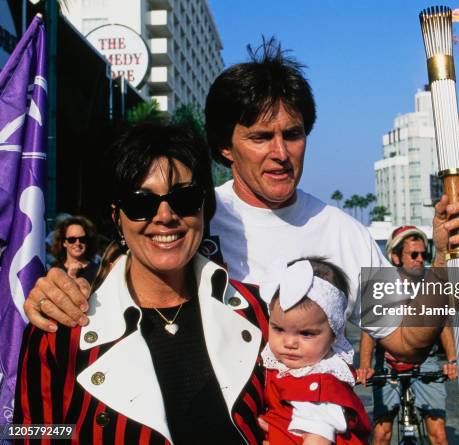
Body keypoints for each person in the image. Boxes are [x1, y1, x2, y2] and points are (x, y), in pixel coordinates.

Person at [24, 39, 459, 363]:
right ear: (226, 147)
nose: (280, 153)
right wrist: (54, 293)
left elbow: (404, 342)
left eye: (294, 134)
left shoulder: (344, 232)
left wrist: (444, 262)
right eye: (261, 137)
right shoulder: (186, 223)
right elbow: (111, 295)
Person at [14, 123, 270, 444]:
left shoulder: (255, 312)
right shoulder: (63, 326)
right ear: (117, 218)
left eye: (185, 198)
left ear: (204, 208)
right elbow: (26, 431)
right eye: (141, 203)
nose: (165, 215)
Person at [357, 226, 458, 445]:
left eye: (424, 254)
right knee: (382, 433)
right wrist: (365, 366)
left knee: (439, 434)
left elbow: (444, 325)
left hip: (426, 361)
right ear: (395, 257)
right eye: (413, 254)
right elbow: (369, 332)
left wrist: (452, 361)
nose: (420, 259)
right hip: (389, 364)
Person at [260, 258, 370, 444]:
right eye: (278, 329)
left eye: (306, 334)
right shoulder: (293, 368)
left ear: (334, 334)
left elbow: (317, 439)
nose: (289, 342)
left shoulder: (320, 385)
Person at [49, 215, 99, 283]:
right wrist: (71, 276)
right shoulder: (54, 271)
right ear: (64, 242)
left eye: (82, 239)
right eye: (72, 240)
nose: (77, 243)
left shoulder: (98, 271)